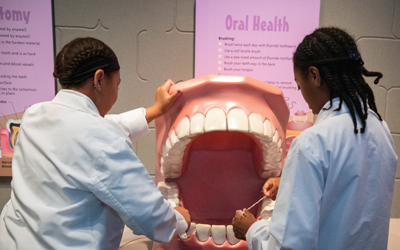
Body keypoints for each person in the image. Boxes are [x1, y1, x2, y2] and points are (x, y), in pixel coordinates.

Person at [0, 37, 191, 250]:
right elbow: (149, 215)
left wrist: (154, 110)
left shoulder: (34, 114)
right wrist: (179, 220)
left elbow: (90, 129)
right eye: (117, 85)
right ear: (99, 79)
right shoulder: (102, 138)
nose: (116, 94)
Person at [232, 27, 398, 250]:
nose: (303, 96)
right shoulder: (381, 130)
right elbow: (352, 196)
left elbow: (288, 247)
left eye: (299, 85)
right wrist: (293, 182)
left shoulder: (312, 143)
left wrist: (251, 229)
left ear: (314, 75)